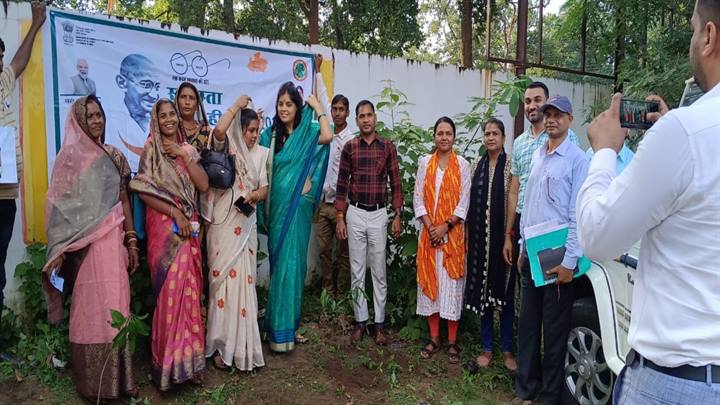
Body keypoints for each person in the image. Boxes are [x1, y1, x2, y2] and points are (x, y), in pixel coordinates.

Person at [578, 1, 720, 402]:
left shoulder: (685, 134)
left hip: (678, 383)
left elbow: (597, 237)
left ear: (709, 37)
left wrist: (604, 152)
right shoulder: (688, 133)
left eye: (693, 29)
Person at [43, 96, 138, 399]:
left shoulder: (114, 156)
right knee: (91, 309)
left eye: (100, 115)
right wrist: (59, 249)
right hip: (85, 249)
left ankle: (120, 380)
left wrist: (132, 241)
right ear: (80, 121)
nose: (97, 121)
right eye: (91, 116)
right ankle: (93, 382)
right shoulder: (70, 159)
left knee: (117, 304)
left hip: (112, 242)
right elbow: (60, 207)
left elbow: (123, 200)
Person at [129, 99, 209, 390]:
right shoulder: (151, 149)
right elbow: (142, 190)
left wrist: (184, 155)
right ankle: (167, 368)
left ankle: (191, 365)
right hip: (165, 232)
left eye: (171, 113)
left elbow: (203, 185)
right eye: (162, 116)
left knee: (190, 295)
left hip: (191, 229)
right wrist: (174, 212)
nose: (169, 119)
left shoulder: (187, 149)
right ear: (156, 120)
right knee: (170, 297)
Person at [514, 96, 588, 405]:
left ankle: (548, 397)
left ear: (570, 119)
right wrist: (522, 246)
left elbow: (577, 214)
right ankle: (526, 389)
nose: (551, 119)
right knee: (528, 325)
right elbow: (529, 204)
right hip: (533, 252)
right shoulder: (538, 155)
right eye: (548, 114)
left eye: (558, 114)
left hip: (558, 255)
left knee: (554, 330)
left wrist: (570, 261)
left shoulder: (577, 160)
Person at [258, 82, 331, 353]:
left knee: (295, 268)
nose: (284, 108)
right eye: (280, 104)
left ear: (297, 107)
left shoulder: (306, 132)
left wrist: (318, 107)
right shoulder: (270, 136)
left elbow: (327, 135)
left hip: (297, 212)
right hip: (278, 211)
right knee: (280, 268)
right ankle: (276, 329)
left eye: (289, 104)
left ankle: (287, 329)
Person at [204, 95, 268, 371]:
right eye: (249, 130)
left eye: (256, 130)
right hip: (223, 225)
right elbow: (219, 130)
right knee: (222, 285)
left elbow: (264, 188)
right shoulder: (226, 149)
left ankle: (242, 345)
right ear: (239, 130)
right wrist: (237, 106)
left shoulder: (261, 154)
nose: (253, 135)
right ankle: (220, 344)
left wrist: (254, 195)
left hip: (245, 226)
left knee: (243, 284)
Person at [335, 100, 403, 346]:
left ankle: (380, 324)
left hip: (378, 214)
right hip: (355, 213)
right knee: (357, 270)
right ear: (357, 120)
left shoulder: (387, 147)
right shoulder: (350, 147)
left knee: (379, 271)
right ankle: (360, 321)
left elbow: (396, 182)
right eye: (361, 116)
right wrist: (340, 217)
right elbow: (342, 183)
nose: (365, 120)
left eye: (369, 115)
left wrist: (397, 214)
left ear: (375, 118)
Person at [0, 1, 45, 359]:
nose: (1, 60)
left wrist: (36, 22)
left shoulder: (2, 83)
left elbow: (19, 61)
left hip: (6, 194)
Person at [502, 82, 579, 285]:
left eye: (537, 100)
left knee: (553, 288)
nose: (532, 106)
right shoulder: (521, 144)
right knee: (528, 286)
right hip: (526, 225)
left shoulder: (568, 139)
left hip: (555, 227)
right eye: (527, 101)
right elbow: (515, 190)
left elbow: (574, 198)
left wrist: (571, 255)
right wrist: (510, 234)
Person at [413, 117, 470, 364]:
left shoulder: (463, 165)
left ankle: (453, 341)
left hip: (452, 237)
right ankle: (434, 338)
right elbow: (418, 198)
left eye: (448, 133)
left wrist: (445, 227)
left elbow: (464, 202)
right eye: (440, 133)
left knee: (451, 288)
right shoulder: (425, 163)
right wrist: (431, 228)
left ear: (454, 137)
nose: (444, 137)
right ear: (434, 136)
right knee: (431, 286)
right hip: (429, 237)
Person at [464, 118, 517, 372]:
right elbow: (469, 202)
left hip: (503, 241)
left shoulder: (511, 166)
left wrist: (508, 236)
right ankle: (486, 346)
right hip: (479, 241)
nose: (491, 137)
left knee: (505, 294)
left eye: (495, 133)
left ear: (503, 138)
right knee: (482, 294)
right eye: (487, 134)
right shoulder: (477, 165)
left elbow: (513, 202)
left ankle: (507, 349)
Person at [315, 88, 353, 297]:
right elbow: (321, 96)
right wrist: (317, 73)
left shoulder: (350, 141)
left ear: (347, 113)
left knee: (343, 252)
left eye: (341, 109)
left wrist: (343, 209)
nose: (337, 113)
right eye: (334, 109)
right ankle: (328, 292)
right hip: (323, 203)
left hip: (343, 207)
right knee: (323, 250)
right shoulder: (326, 134)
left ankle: (342, 293)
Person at [107, 54, 161, 170]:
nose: (154, 95)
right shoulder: (108, 122)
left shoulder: (162, 124)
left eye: (157, 86)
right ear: (122, 82)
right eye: (146, 85)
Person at [174, 81, 211, 152]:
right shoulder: (170, 128)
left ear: (197, 104)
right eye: (183, 97)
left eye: (191, 98)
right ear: (177, 101)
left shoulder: (206, 131)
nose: (187, 102)